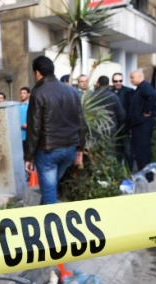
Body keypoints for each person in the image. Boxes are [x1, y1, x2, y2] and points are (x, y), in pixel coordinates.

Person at [25, 56, 85, 205]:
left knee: (49, 191)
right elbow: (81, 122)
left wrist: (29, 156)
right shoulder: (72, 91)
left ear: (37, 73)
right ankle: (43, 217)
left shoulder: (38, 93)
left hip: (48, 151)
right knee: (49, 188)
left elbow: (34, 127)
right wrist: (80, 149)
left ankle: (52, 226)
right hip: (70, 148)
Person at [129, 69, 156, 182]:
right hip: (138, 124)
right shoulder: (140, 88)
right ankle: (144, 174)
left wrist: (147, 110)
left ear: (140, 76)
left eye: (133, 77)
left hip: (143, 125)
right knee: (139, 151)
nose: (131, 80)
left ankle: (147, 176)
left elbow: (153, 96)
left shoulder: (145, 86)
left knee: (143, 150)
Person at [92, 76, 126, 154]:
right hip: (110, 129)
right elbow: (121, 114)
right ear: (108, 84)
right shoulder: (113, 96)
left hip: (95, 129)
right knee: (110, 152)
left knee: (96, 153)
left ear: (98, 83)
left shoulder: (91, 96)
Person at [111, 72, 134, 166]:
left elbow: (132, 109)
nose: (118, 83)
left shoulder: (129, 91)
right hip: (114, 127)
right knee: (117, 151)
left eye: (120, 81)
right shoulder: (110, 92)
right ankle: (119, 171)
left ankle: (129, 171)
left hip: (126, 126)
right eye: (116, 81)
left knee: (128, 150)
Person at [18, 87, 30, 155]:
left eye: (24, 93)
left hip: (27, 135)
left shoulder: (31, 106)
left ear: (28, 94)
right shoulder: (16, 106)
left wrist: (29, 124)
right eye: (21, 93)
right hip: (17, 135)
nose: (22, 95)